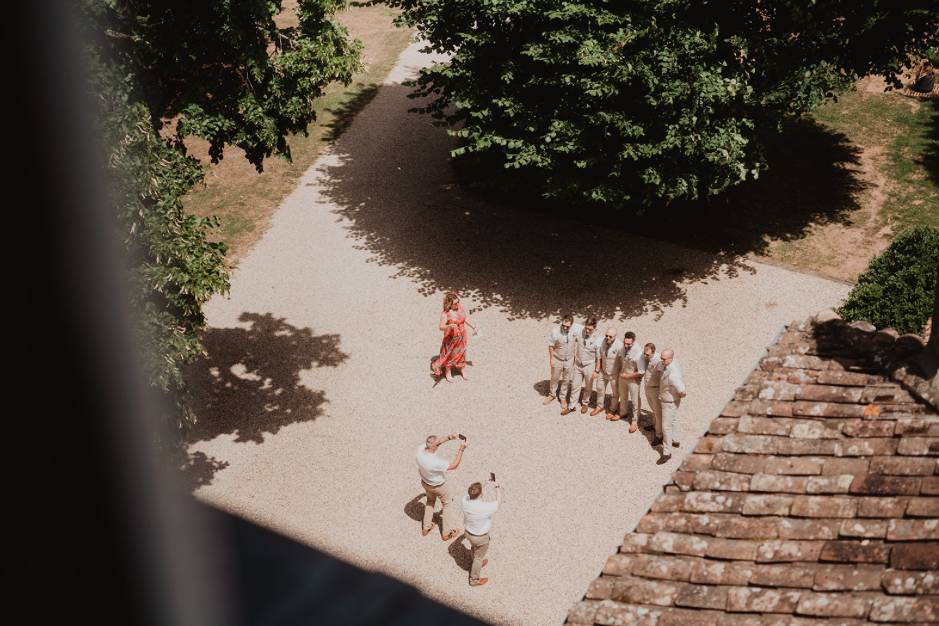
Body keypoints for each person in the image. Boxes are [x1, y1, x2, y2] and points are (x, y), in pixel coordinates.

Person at [416, 433, 468, 540]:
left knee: (430, 502)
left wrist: (449, 437)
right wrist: (461, 449)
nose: (439, 444)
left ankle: (426, 528)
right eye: (438, 444)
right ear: (434, 447)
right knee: (447, 504)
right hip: (439, 486)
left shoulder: (420, 450)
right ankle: (446, 533)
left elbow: (437, 442)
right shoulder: (435, 462)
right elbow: (454, 466)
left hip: (425, 482)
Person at [462, 478, 503, 587]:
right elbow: (498, 502)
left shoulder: (465, 501)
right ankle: (474, 580)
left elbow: (474, 494)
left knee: (474, 548)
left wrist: (484, 484)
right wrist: (497, 487)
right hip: (480, 537)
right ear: (481, 494)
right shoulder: (485, 507)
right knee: (479, 557)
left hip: (468, 533)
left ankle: (475, 560)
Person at [432, 292, 477, 382]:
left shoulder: (460, 308)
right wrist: (449, 326)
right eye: (455, 303)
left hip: (462, 336)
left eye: (458, 302)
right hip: (451, 338)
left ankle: (462, 369)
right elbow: (441, 327)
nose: (458, 304)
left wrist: (474, 327)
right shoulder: (445, 314)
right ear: (450, 304)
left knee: (462, 353)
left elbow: (465, 318)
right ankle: (448, 372)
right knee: (450, 354)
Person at [544, 314, 581, 413]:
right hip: (557, 358)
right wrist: (551, 359)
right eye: (563, 325)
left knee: (566, 379)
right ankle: (552, 394)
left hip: (569, 359)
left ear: (572, 325)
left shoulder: (576, 330)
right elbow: (551, 345)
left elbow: (587, 331)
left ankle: (563, 397)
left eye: (567, 326)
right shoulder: (555, 331)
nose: (565, 327)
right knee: (555, 378)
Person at [658, 349, 687, 460]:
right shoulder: (674, 362)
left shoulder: (673, 375)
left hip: (669, 401)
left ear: (670, 359)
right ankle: (675, 440)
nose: (661, 360)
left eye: (664, 359)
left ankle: (667, 452)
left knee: (666, 427)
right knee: (673, 420)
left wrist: (679, 395)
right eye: (661, 358)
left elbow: (683, 391)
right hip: (672, 399)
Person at [572, 317, 602, 414]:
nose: (587, 331)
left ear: (595, 328)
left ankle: (585, 403)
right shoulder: (580, 331)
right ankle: (572, 404)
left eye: (590, 329)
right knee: (575, 384)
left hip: (589, 364)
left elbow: (599, 356)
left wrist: (597, 370)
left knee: (588, 386)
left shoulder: (598, 339)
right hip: (578, 363)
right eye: (586, 328)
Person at [618, 331, 644, 432]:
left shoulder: (639, 353)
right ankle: (623, 412)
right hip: (623, 376)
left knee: (635, 401)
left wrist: (628, 376)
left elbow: (641, 372)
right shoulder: (623, 348)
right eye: (624, 343)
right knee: (623, 396)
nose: (625, 345)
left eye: (628, 344)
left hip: (633, 379)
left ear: (634, 342)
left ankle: (635, 421)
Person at [595, 327, 622, 419]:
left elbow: (622, 361)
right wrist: (597, 369)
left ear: (615, 336)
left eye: (610, 336)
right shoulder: (602, 342)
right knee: (599, 388)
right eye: (606, 336)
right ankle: (599, 406)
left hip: (614, 373)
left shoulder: (620, 346)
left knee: (615, 393)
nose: (607, 338)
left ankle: (612, 409)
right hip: (603, 371)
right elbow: (599, 355)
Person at [641, 343, 664, 445]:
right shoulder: (646, 357)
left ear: (653, 352)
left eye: (647, 355)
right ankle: (655, 426)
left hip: (655, 389)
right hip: (648, 387)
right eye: (644, 353)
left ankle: (659, 435)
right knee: (653, 409)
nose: (645, 356)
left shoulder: (659, 361)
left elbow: (663, 378)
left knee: (658, 413)